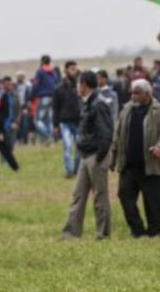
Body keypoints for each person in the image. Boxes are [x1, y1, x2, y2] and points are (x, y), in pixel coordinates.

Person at [111, 79, 160, 238]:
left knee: (155, 202)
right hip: (129, 166)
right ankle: (137, 230)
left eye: (137, 93)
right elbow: (117, 134)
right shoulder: (127, 109)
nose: (133, 96)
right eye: (132, 92)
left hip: (151, 165)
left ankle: (156, 230)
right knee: (125, 196)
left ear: (147, 94)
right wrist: (113, 155)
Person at [61, 71, 114, 239]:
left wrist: (99, 156)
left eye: (78, 83)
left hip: (95, 156)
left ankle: (103, 233)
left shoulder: (98, 104)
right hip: (85, 156)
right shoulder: (87, 103)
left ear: (84, 84)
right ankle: (71, 233)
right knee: (78, 195)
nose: (77, 87)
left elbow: (106, 133)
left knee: (100, 197)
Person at [53, 61, 83, 178]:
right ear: (65, 71)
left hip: (79, 121)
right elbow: (55, 108)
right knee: (67, 147)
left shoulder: (80, 87)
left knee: (79, 147)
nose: (74, 71)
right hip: (64, 122)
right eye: (71, 69)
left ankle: (76, 169)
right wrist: (55, 125)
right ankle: (69, 171)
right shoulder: (58, 89)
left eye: (75, 69)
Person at [31, 55, 60, 145]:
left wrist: (31, 96)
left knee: (37, 120)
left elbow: (35, 85)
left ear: (42, 61)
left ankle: (48, 136)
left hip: (43, 97)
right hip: (53, 98)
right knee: (49, 120)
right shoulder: (54, 72)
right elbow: (57, 83)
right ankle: (51, 142)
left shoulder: (40, 71)